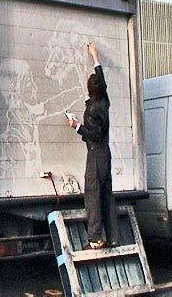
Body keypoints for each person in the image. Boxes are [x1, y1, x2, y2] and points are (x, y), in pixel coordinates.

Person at [68, 43, 119, 250]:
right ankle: (114, 237)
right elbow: (101, 78)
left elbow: (94, 135)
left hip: (96, 154)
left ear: (89, 89)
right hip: (105, 154)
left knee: (92, 194)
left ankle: (95, 238)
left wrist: (77, 126)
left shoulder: (92, 110)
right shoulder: (104, 99)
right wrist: (95, 56)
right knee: (107, 194)